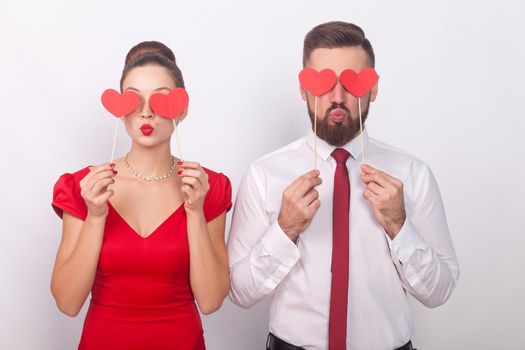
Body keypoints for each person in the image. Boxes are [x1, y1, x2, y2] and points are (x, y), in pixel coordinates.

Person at [227, 21, 459, 350]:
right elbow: (239, 292)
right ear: (303, 89)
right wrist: (285, 228)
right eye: (323, 83)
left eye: (352, 83)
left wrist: (398, 224)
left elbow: (439, 291)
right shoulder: (264, 174)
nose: (337, 98)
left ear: (373, 89)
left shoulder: (413, 174)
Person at [50, 41, 232, 350]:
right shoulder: (83, 186)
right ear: (119, 109)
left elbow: (211, 300)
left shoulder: (207, 187)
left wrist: (196, 212)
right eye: (133, 100)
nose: (146, 113)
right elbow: (68, 303)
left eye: (160, 101)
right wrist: (95, 216)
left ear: (182, 109)